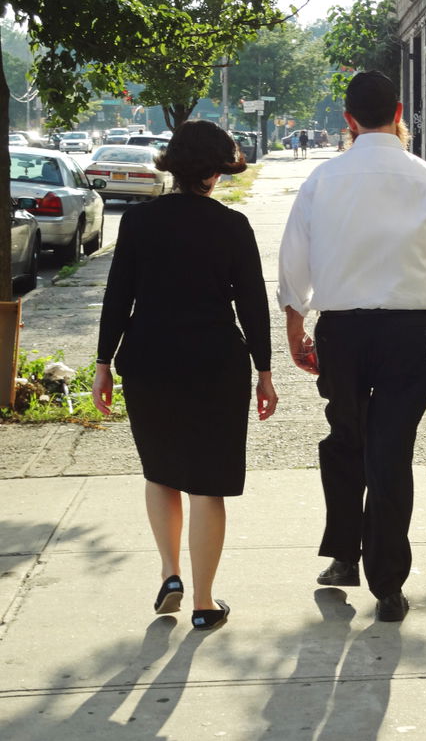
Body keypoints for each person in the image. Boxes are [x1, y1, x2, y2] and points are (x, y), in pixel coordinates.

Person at [277, 70, 426, 622]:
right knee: (391, 450)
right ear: (398, 113)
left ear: (348, 120)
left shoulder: (323, 181)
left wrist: (295, 327)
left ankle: (345, 556)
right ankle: (388, 585)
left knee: (345, 439)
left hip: (341, 331)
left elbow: (294, 262)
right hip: (408, 333)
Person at [92, 120, 278, 631]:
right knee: (207, 484)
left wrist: (104, 363)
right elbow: (253, 304)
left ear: (171, 166)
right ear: (216, 172)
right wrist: (264, 370)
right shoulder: (232, 226)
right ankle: (204, 602)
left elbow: (118, 296)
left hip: (149, 360)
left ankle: (169, 573)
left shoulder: (139, 222)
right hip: (215, 364)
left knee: (161, 472)